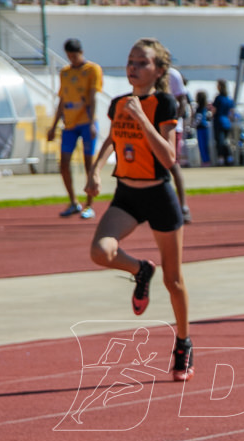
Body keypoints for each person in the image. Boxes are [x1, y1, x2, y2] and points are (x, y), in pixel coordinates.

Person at [84, 38, 193, 382]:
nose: (133, 67)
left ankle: (183, 343)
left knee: (174, 281)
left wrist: (141, 118)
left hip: (159, 195)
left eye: (142, 62)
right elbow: (112, 139)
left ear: (159, 70)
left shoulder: (164, 103)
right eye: (130, 61)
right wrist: (95, 170)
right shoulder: (118, 103)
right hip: (127, 195)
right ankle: (141, 270)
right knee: (100, 252)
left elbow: (169, 157)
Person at [48, 38, 102, 220]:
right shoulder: (65, 72)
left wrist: (93, 122)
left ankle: (89, 205)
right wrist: (53, 125)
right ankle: (73, 202)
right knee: (63, 163)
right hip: (69, 125)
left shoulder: (92, 69)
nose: (72, 59)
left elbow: (93, 96)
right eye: (69, 56)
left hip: (87, 123)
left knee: (89, 164)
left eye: (74, 55)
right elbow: (62, 100)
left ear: (81, 52)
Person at [167, 67, 192, 222]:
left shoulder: (173, 74)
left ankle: (183, 207)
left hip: (173, 127)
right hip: (153, 127)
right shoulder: (148, 73)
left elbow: (182, 99)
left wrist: (174, 120)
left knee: (172, 163)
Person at [211, 78, 236, 167]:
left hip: (219, 122)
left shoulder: (218, 98)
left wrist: (211, 115)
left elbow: (214, 110)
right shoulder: (229, 99)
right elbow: (232, 112)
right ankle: (229, 157)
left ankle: (221, 159)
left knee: (220, 141)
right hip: (227, 122)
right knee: (227, 141)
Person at [192, 90, 211, 166]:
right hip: (205, 127)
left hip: (201, 128)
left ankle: (205, 160)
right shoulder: (205, 108)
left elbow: (198, 118)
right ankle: (206, 160)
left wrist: (193, 125)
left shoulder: (199, 108)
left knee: (202, 145)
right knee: (205, 144)